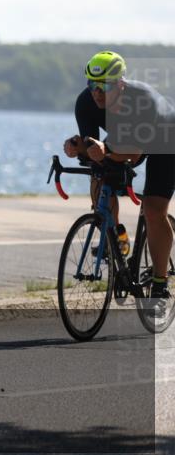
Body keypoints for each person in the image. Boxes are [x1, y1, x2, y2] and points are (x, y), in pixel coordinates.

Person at [62, 50, 173, 304]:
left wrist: (107, 149)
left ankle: (160, 284)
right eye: (92, 84)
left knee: (153, 210)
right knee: (98, 174)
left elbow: (135, 153)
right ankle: (116, 235)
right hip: (123, 139)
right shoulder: (86, 102)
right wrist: (76, 147)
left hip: (164, 140)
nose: (97, 92)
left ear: (120, 83)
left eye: (104, 85)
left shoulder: (142, 100)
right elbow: (92, 148)